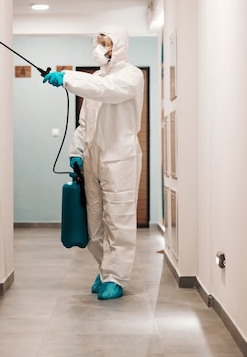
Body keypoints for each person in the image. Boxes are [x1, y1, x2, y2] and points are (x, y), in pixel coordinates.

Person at [43, 25, 143, 300]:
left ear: (118, 46)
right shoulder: (95, 78)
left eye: (106, 43)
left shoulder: (130, 76)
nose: (100, 49)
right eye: (98, 43)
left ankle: (116, 277)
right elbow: (85, 121)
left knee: (118, 219)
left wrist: (67, 78)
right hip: (93, 157)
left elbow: (106, 90)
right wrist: (76, 151)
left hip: (119, 157)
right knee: (95, 221)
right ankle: (105, 268)